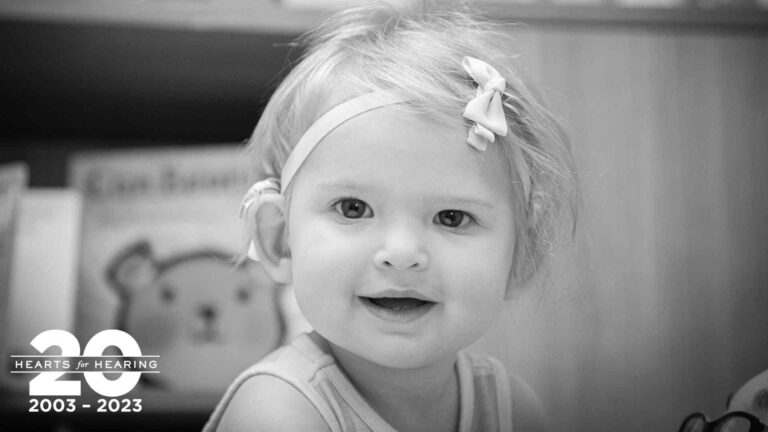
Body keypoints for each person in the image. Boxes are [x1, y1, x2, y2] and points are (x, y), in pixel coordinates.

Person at [204, 1, 579, 431]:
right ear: (278, 240)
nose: (402, 254)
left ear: (523, 255)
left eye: (452, 217)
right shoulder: (278, 412)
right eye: (353, 208)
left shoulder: (513, 408)